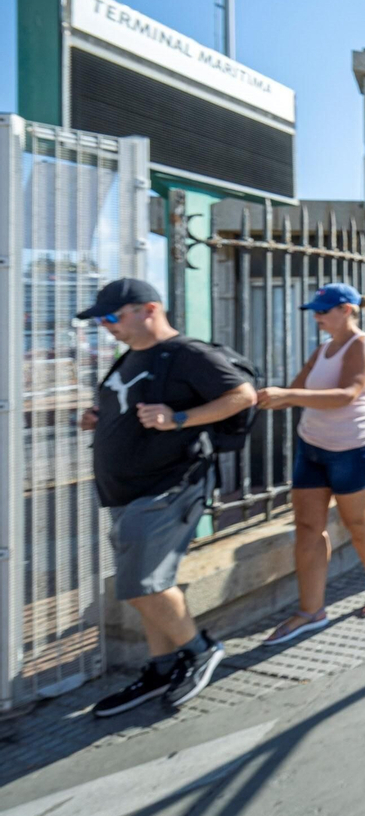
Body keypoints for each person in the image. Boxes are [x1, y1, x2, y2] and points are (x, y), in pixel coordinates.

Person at [76, 278, 256, 717]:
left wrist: (179, 418)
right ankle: (161, 668)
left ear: (148, 309)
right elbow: (128, 404)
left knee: (141, 584)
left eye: (112, 317)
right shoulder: (130, 358)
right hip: (125, 490)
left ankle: (199, 650)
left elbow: (242, 395)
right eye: (101, 319)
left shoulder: (187, 354)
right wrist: (98, 419)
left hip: (169, 485)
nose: (106, 326)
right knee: (146, 585)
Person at [257, 284, 365, 644]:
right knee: (307, 526)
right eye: (314, 310)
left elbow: (347, 394)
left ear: (347, 309)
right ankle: (310, 611)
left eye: (323, 310)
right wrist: (252, 397)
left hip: (353, 448)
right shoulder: (321, 350)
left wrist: (287, 395)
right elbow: (295, 391)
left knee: (357, 521)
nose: (317, 316)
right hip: (312, 447)